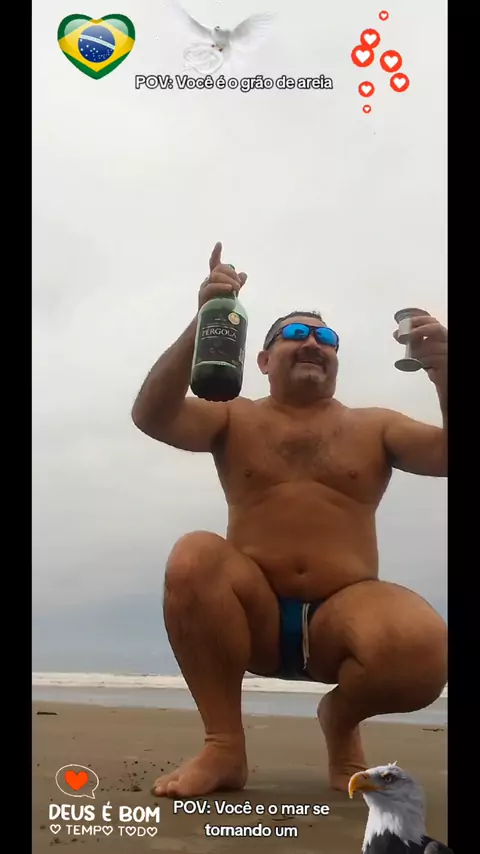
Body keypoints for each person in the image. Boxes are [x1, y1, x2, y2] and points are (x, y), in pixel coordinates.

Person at [131, 242, 448, 799]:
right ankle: (224, 746)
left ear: (336, 360)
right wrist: (204, 319)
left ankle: (340, 719)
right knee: (193, 556)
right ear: (261, 359)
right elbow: (152, 416)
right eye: (295, 334)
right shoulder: (234, 417)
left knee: (423, 649)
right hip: (251, 615)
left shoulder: (375, 425)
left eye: (326, 339)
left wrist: (445, 371)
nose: (312, 344)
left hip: (342, 616)